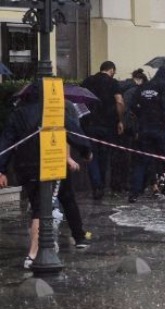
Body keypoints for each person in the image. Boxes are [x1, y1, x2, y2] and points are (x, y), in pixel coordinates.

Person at [0, 83, 93, 268]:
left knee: (38, 205)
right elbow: (74, 132)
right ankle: (35, 253)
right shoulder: (53, 110)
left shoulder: (18, 113)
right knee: (42, 208)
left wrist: (1, 168)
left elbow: (7, 140)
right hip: (49, 163)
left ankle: (46, 245)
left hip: (24, 166)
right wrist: (86, 151)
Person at [128, 67, 165, 203]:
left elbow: (131, 105)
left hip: (144, 129)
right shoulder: (163, 87)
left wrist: (141, 114)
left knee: (141, 162)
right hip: (159, 128)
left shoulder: (143, 86)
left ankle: (134, 193)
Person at [80, 60, 125, 200]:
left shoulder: (87, 81)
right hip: (108, 125)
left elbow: (79, 101)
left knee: (92, 155)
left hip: (90, 124)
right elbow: (119, 101)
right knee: (104, 155)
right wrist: (121, 120)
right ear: (111, 70)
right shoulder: (113, 83)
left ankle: (96, 186)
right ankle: (102, 185)